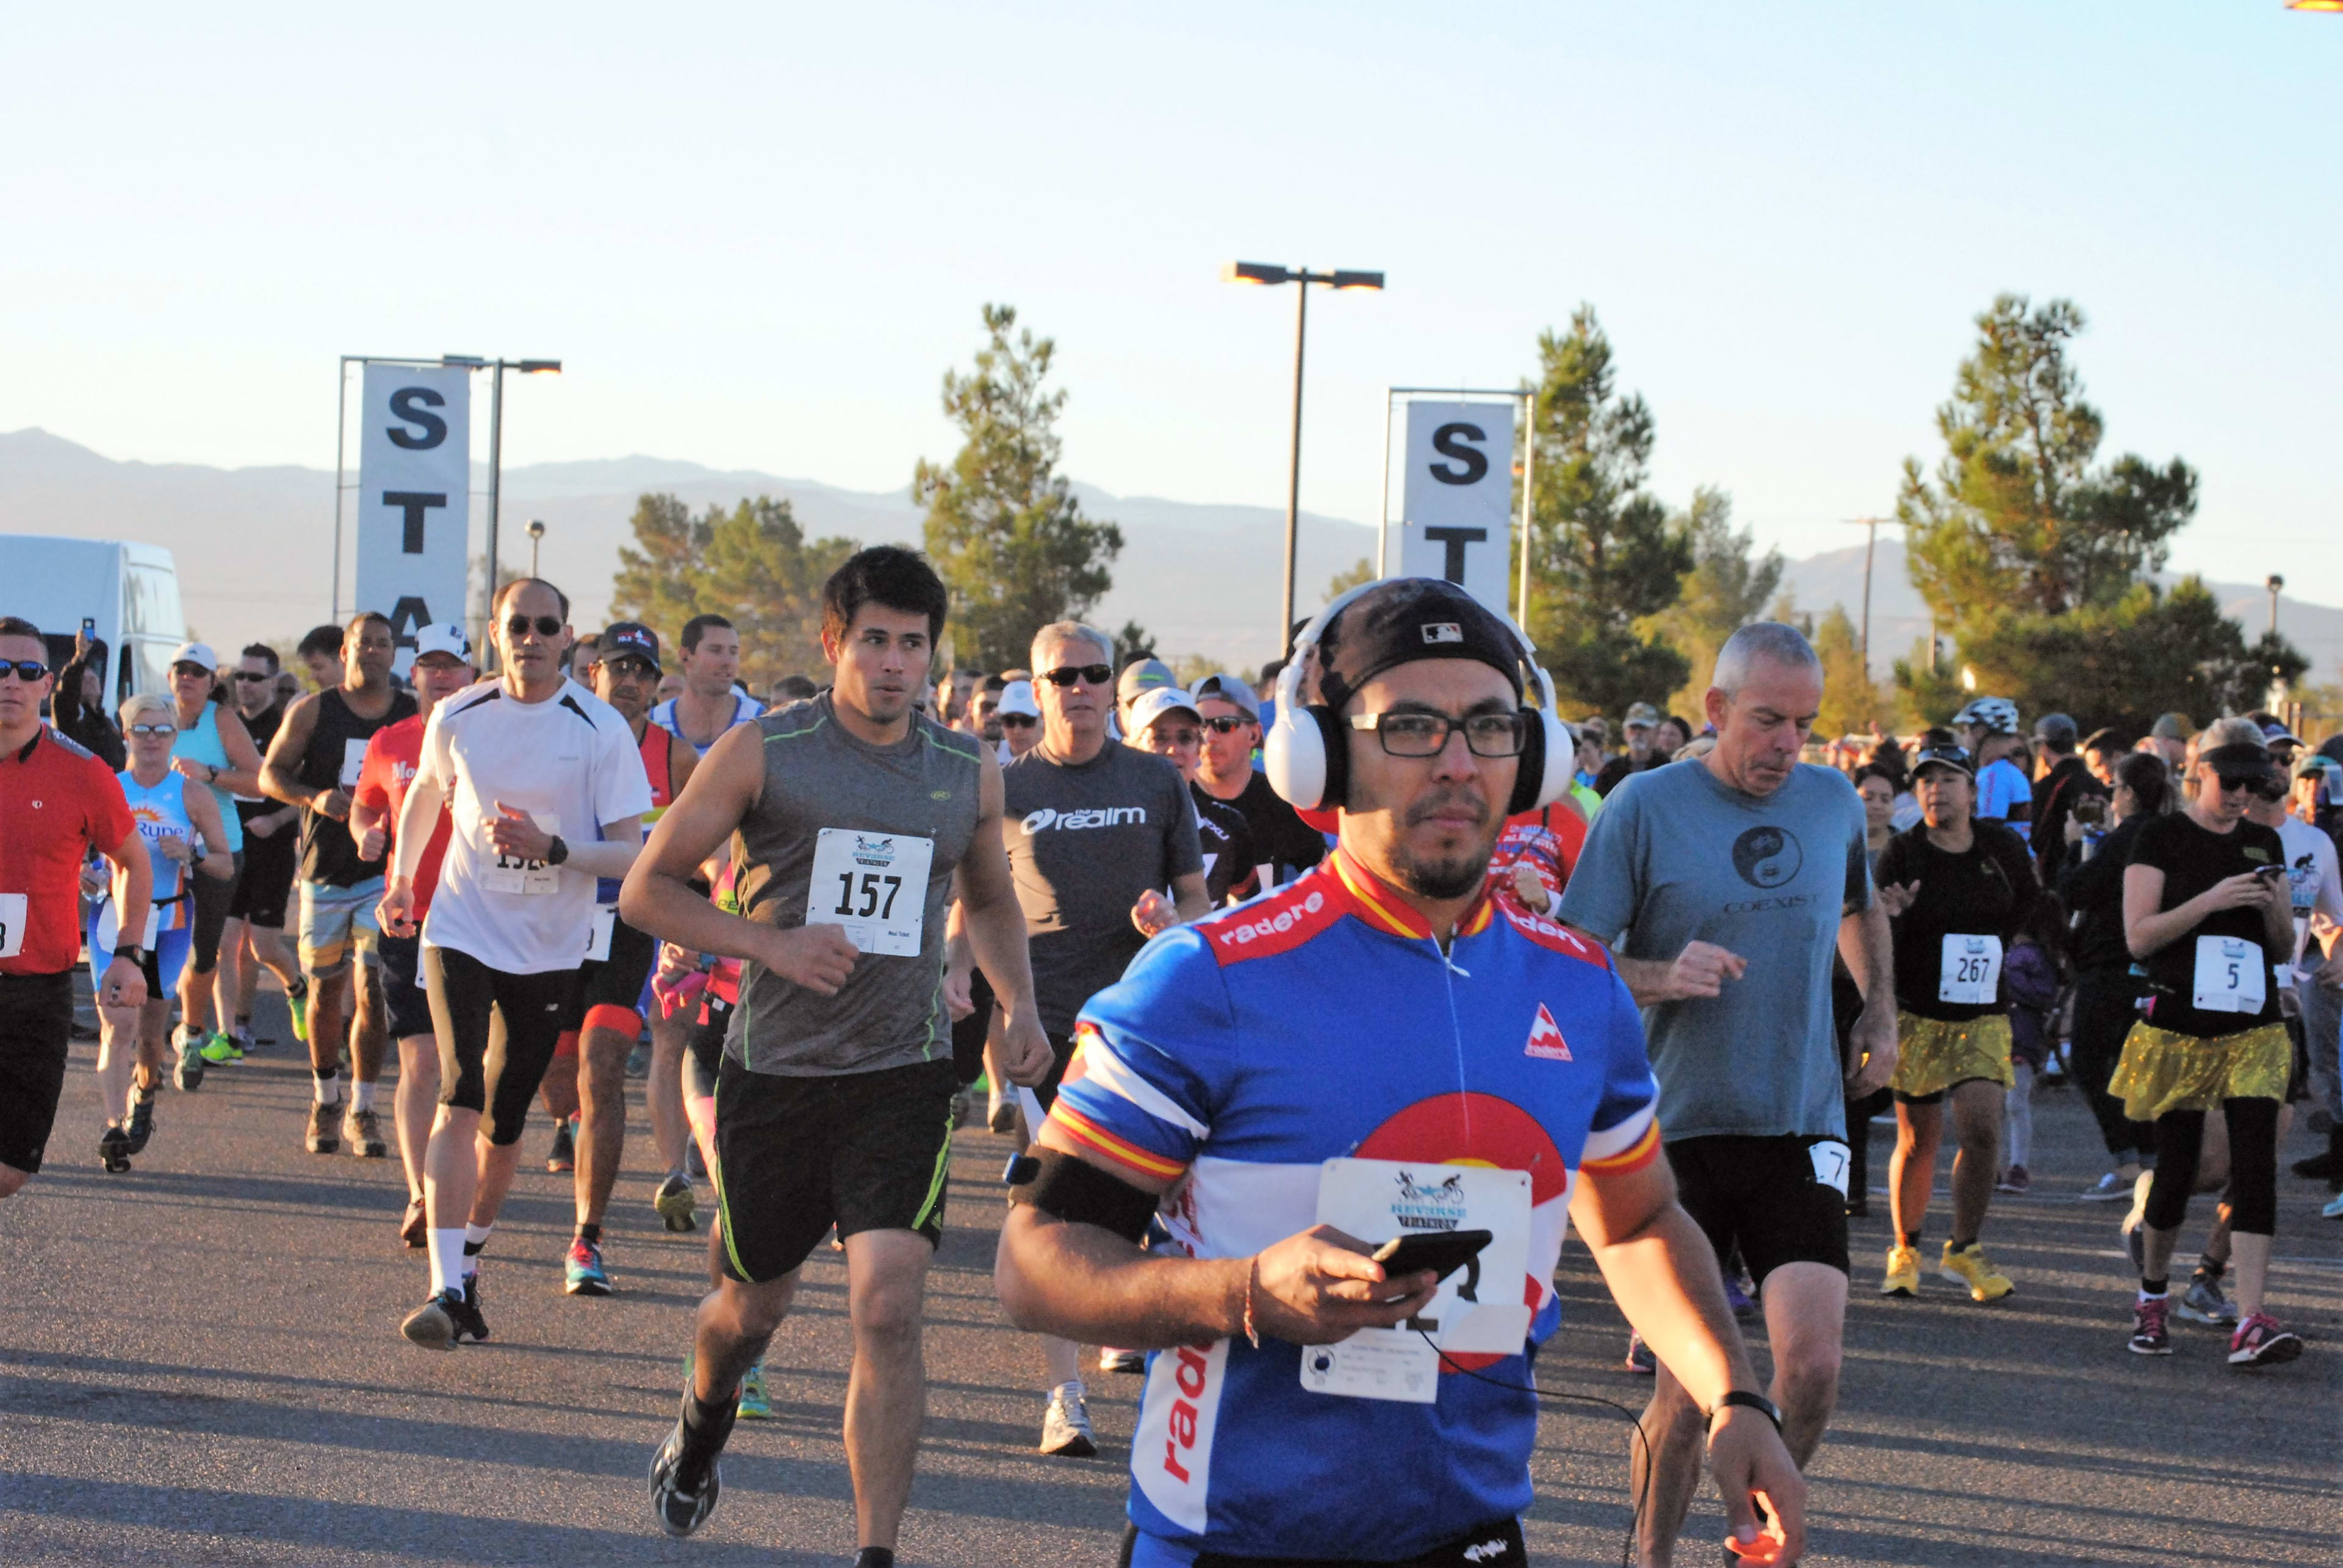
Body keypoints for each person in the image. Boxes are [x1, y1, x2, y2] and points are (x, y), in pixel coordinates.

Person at [996, 577, 1807, 1568]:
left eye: (1492, 728)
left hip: (1471, 1539)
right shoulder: (1206, 981)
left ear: (1535, 755)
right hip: (1228, 1543)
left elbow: (1633, 1218)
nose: (1459, 763)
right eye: (1413, 726)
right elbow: (1036, 1261)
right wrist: (1245, 1292)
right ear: (1323, 753)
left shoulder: (1581, 988)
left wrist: (1731, 1394)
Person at [619, 547, 1052, 1566]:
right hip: (778, 1072)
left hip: (902, 1074)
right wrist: (770, 943)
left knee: (889, 1303)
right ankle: (702, 1419)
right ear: (834, 643)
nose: (894, 663)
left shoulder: (963, 772)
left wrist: (1019, 1004)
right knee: (749, 1307)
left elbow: (989, 898)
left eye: (913, 644)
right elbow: (650, 889)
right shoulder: (768, 751)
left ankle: (875, 1552)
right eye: (875, 641)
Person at [1557, 620, 1893, 1568]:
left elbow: (1860, 906)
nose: (1788, 744)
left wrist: (1878, 1013)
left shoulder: (1830, 802)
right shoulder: (1644, 805)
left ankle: (1753, 1529)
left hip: (1801, 1121)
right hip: (1677, 1133)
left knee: (1813, 1367)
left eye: (1804, 724)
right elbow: (1574, 961)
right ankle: (1652, 1557)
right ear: (1714, 711)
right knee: (1681, 1384)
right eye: (1767, 721)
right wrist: (1663, 974)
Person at [383, 578, 652, 1350]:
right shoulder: (459, 713)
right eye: (515, 625)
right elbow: (428, 795)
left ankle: (467, 1268)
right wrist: (404, 878)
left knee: (504, 1122)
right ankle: (440, 1284)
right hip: (461, 925)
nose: (530, 637)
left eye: (545, 625)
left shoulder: (599, 727)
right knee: (458, 1089)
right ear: (495, 634)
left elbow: (632, 851)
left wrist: (555, 849)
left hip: (550, 944)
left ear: (568, 636)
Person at [1001, 622, 1209, 1454]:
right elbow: (973, 903)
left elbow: (1198, 901)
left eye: (1095, 674)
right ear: (1038, 686)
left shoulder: (1158, 781)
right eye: (1064, 677)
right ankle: (1066, 1395)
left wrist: (1173, 924)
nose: (1080, 688)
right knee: (1047, 1211)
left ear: (1110, 685)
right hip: (1044, 1021)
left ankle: (1174, 1388)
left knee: (1160, 1206)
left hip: (1139, 1025)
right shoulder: (1007, 788)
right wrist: (960, 979)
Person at [2109, 738, 2301, 1364]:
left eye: (2257, 787)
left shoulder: (2264, 842)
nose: (2244, 796)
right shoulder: (2159, 838)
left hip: (2254, 1025)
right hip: (2181, 1027)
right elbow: (2139, 937)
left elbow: (2277, 948)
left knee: (2256, 1162)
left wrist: (2275, 910)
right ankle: (2153, 1296)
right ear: (2201, 775)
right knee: (2178, 1165)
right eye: (2233, 783)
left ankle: (2250, 1316)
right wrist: (2211, 900)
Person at [542, 621, 697, 1293]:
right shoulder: (554, 739)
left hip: (629, 926)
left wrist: (695, 914)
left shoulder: (679, 757)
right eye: (617, 668)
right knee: (555, 1073)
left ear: (658, 684)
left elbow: (714, 845)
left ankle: (587, 1239)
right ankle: (569, 1121)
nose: (629, 682)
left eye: (642, 671)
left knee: (602, 1067)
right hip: (550, 919)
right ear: (591, 674)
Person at [1872, 740, 2040, 1302]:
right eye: (1925, 780)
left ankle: (1964, 1249)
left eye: (1948, 779)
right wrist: (1895, 916)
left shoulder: (2001, 846)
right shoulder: (1903, 852)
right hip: (1920, 1011)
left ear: (1972, 790)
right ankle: (1906, 1248)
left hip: (1983, 1012)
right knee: (1919, 1139)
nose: (1935, 790)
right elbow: (1874, 931)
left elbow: (2027, 907)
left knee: (1983, 1128)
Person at [0, 617, 153, 1200]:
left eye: (28, 671)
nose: (11, 681)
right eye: (0, 669)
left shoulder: (83, 772)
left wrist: (128, 955)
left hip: (36, 990)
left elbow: (132, 862)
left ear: (46, 686)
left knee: (12, 1173)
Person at [261, 611, 415, 1149]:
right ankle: (325, 1097)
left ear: (394, 655)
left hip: (386, 875)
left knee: (374, 989)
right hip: (325, 874)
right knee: (325, 992)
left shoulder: (411, 715)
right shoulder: (313, 711)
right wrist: (314, 797)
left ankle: (363, 1108)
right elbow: (269, 774)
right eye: (361, 644)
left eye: (382, 644)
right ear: (344, 652)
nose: (371, 652)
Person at [348, 625, 475, 1248]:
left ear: (473, 674)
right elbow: (366, 803)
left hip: (483, 918)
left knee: (472, 1070)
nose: (441, 675)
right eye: (430, 665)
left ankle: (461, 1184)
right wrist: (364, 830)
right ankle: (422, 1193)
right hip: (410, 918)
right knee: (421, 1061)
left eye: (452, 665)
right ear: (414, 674)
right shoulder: (390, 740)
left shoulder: (493, 735)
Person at [85, 695, 239, 1170]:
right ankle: (113, 1127)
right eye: (142, 730)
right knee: (117, 1025)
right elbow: (78, 852)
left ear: (174, 737)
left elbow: (224, 864)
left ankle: (143, 1097)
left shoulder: (190, 793)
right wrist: (86, 873)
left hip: (169, 920)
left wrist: (190, 857)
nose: (152, 739)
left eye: (162, 731)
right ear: (126, 734)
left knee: (151, 1036)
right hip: (113, 916)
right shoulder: (108, 788)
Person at [2057, 750, 2170, 1199]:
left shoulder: (2130, 837)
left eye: (2115, 789)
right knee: (2134, 1066)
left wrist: (2072, 845)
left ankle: (2128, 1162)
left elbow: (2077, 889)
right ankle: (2148, 1161)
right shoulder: (2161, 835)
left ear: (2128, 793)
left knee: (2089, 1060)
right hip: (2149, 966)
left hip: (2111, 965)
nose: (2111, 797)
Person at [163, 641, 267, 1070]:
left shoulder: (220, 720)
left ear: (211, 682)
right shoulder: (155, 719)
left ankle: (190, 1029)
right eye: (181, 669)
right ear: (169, 676)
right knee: (154, 943)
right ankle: (169, 1034)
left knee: (203, 951)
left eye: (197, 672)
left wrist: (209, 774)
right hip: (161, 849)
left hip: (217, 851)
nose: (187, 677)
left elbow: (261, 782)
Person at [220, 644, 306, 1059]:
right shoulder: (229, 725)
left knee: (263, 947)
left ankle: (296, 986)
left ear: (274, 682)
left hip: (271, 849)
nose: (245, 685)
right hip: (232, 847)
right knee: (228, 942)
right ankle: (236, 1027)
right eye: (241, 677)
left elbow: (306, 793)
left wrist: (274, 821)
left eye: (255, 678)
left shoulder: (285, 727)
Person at [1192, 671, 1325, 888]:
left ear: (1254, 734)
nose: (1209, 737)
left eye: (1224, 725)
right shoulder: (1178, 800)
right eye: (1201, 727)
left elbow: (1318, 884)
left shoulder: (1283, 799)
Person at [1128, 686, 1256, 907]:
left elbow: (1249, 910)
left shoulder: (1229, 825)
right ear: (1132, 748)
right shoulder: (1108, 823)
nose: (1173, 750)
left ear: (1199, 749)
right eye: (1160, 738)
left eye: (1185, 738)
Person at [2289, 753, 2343, 1184]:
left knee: (2334, 1063)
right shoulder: (2291, 833)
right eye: (2306, 781)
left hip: (2327, 951)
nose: (2314, 790)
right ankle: (2336, 1152)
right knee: (2324, 1061)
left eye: (2321, 783)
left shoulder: (2331, 835)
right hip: (2304, 955)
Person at [1998, 896, 2067, 1196]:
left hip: (2021, 1038)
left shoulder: (2031, 956)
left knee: (2015, 1103)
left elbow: (2043, 995)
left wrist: (2008, 980)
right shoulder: (2017, 952)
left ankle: (2018, 1165)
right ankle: (2001, 1165)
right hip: (2004, 1035)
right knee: (1999, 1105)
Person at [650, 614, 763, 756]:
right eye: (716, 650)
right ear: (685, 656)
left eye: (733, 652)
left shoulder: (761, 721)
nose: (727, 662)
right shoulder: (655, 724)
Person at [2028, 712, 2107, 877]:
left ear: (2044, 746)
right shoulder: (2097, 784)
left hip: (2057, 875)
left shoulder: (2047, 787)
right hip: (2095, 872)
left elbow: (2037, 836)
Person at [49, 629, 125, 769]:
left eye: (92, 677)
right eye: (84, 679)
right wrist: (80, 656)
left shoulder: (109, 724)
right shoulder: (72, 723)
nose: (90, 681)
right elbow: (65, 700)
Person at [1954, 698, 2031, 824]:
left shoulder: (1994, 774)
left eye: (1966, 731)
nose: (1964, 738)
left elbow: (1989, 831)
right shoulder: (2008, 770)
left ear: (1979, 732)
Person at [1594, 700, 1664, 797]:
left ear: (1656, 731)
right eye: (1633, 728)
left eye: (1643, 728)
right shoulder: (1611, 770)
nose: (1637, 733)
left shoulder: (1666, 767)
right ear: (1625, 732)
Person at [996, 678, 1041, 761]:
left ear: (1043, 719)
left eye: (1027, 721)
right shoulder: (989, 759)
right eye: (1009, 721)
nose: (1017, 730)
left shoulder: (1061, 757)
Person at [295, 624, 344, 693]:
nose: (313, 677)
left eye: (318, 667)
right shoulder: (309, 702)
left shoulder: (364, 701)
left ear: (344, 658)